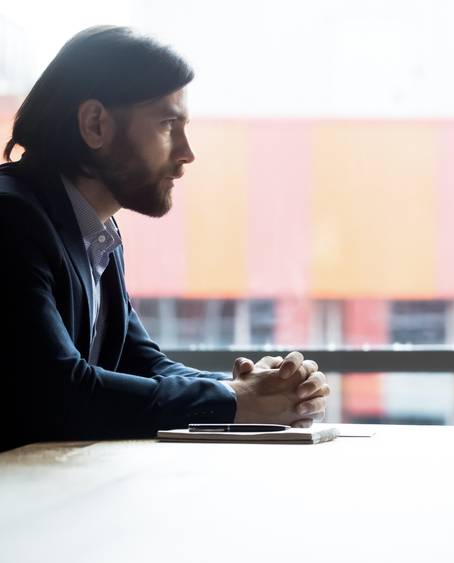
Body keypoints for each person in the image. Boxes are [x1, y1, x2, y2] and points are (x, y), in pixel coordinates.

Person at [0, 26, 330, 452]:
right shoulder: (12, 219)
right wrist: (236, 401)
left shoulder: (92, 229)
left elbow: (138, 361)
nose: (186, 151)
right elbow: (57, 393)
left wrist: (256, 389)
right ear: (95, 124)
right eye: (168, 124)